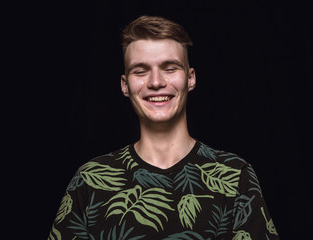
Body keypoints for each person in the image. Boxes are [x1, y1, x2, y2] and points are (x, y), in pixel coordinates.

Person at [48, 15, 280, 240]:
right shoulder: (89, 180)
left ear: (190, 79)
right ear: (125, 85)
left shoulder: (235, 176)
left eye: (170, 68)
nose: (156, 82)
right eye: (140, 70)